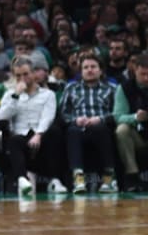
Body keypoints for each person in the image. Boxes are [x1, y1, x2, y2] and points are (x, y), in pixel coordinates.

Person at [0, 56, 61, 195]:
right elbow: (2, 116)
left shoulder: (48, 94)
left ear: (33, 73)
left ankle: (55, 181)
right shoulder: (10, 95)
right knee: (13, 140)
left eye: (26, 74)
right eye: (18, 75)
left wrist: (38, 134)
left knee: (55, 132)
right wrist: (16, 95)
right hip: (21, 136)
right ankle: (22, 180)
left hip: (42, 136)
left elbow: (48, 117)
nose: (22, 78)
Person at [60, 53, 118, 193]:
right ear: (81, 71)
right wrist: (75, 120)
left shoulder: (111, 88)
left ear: (100, 70)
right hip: (79, 127)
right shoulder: (71, 88)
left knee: (100, 128)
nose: (89, 70)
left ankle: (109, 177)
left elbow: (117, 112)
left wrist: (100, 119)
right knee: (72, 131)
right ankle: (78, 178)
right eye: (86, 67)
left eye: (93, 67)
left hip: (102, 127)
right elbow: (62, 113)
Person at [113, 52, 148, 191]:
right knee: (122, 129)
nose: (146, 78)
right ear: (135, 70)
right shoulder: (124, 88)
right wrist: (134, 118)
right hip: (138, 137)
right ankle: (132, 177)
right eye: (143, 74)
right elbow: (118, 116)